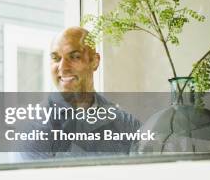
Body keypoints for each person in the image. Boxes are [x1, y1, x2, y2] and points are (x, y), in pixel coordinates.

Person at [18, 26, 140, 159]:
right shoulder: (35, 127)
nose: (63, 68)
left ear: (95, 61)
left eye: (74, 57)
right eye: (56, 58)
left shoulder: (124, 122)